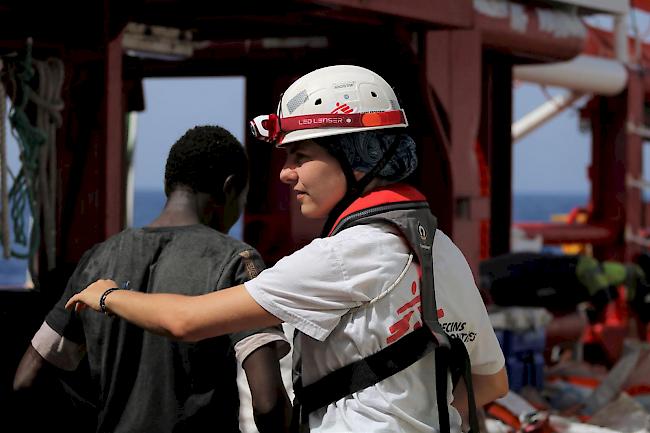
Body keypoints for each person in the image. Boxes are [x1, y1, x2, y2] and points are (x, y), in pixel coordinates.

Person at [66, 65, 508, 432]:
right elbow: (490, 381)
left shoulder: (343, 255)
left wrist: (107, 295)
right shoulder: (439, 248)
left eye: (301, 157)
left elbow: (186, 321)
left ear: (355, 156)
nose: (285, 174)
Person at [13, 125, 291, 433]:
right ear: (230, 187)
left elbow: (27, 380)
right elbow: (268, 404)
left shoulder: (97, 260)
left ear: (168, 185)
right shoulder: (237, 261)